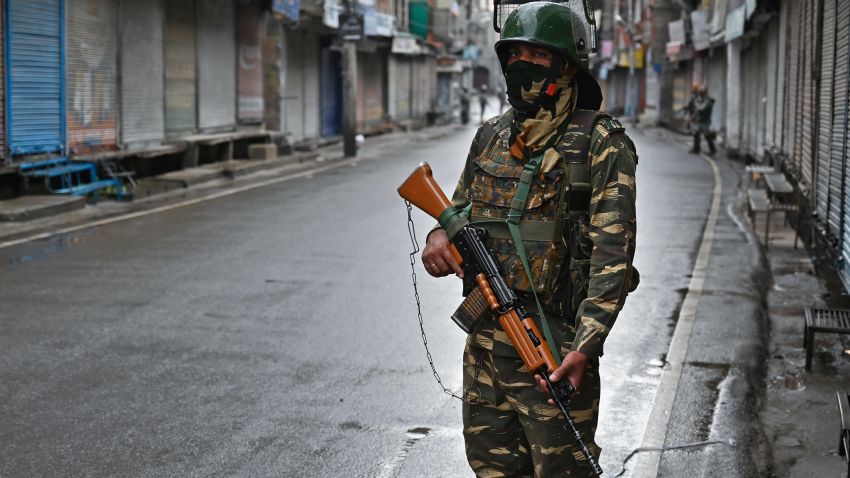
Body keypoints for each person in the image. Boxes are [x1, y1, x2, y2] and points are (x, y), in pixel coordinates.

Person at [421, 2, 638, 476]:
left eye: (538, 57)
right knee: (491, 469)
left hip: (555, 353)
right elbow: (457, 211)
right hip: (485, 349)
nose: (524, 65)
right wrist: (439, 235)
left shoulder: (600, 144)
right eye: (514, 54)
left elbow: (612, 260)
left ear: (567, 65)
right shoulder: (491, 137)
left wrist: (586, 347)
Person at [687, 84, 716, 155]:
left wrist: (695, 103)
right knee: (696, 134)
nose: (700, 94)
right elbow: (697, 110)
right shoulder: (701, 99)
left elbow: (701, 109)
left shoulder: (708, 101)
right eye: (700, 92)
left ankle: (712, 150)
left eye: (701, 92)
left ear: (705, 92)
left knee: (707, 135)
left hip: (705, 121)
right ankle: (696, 149)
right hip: (699, 120)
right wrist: (692, 117)